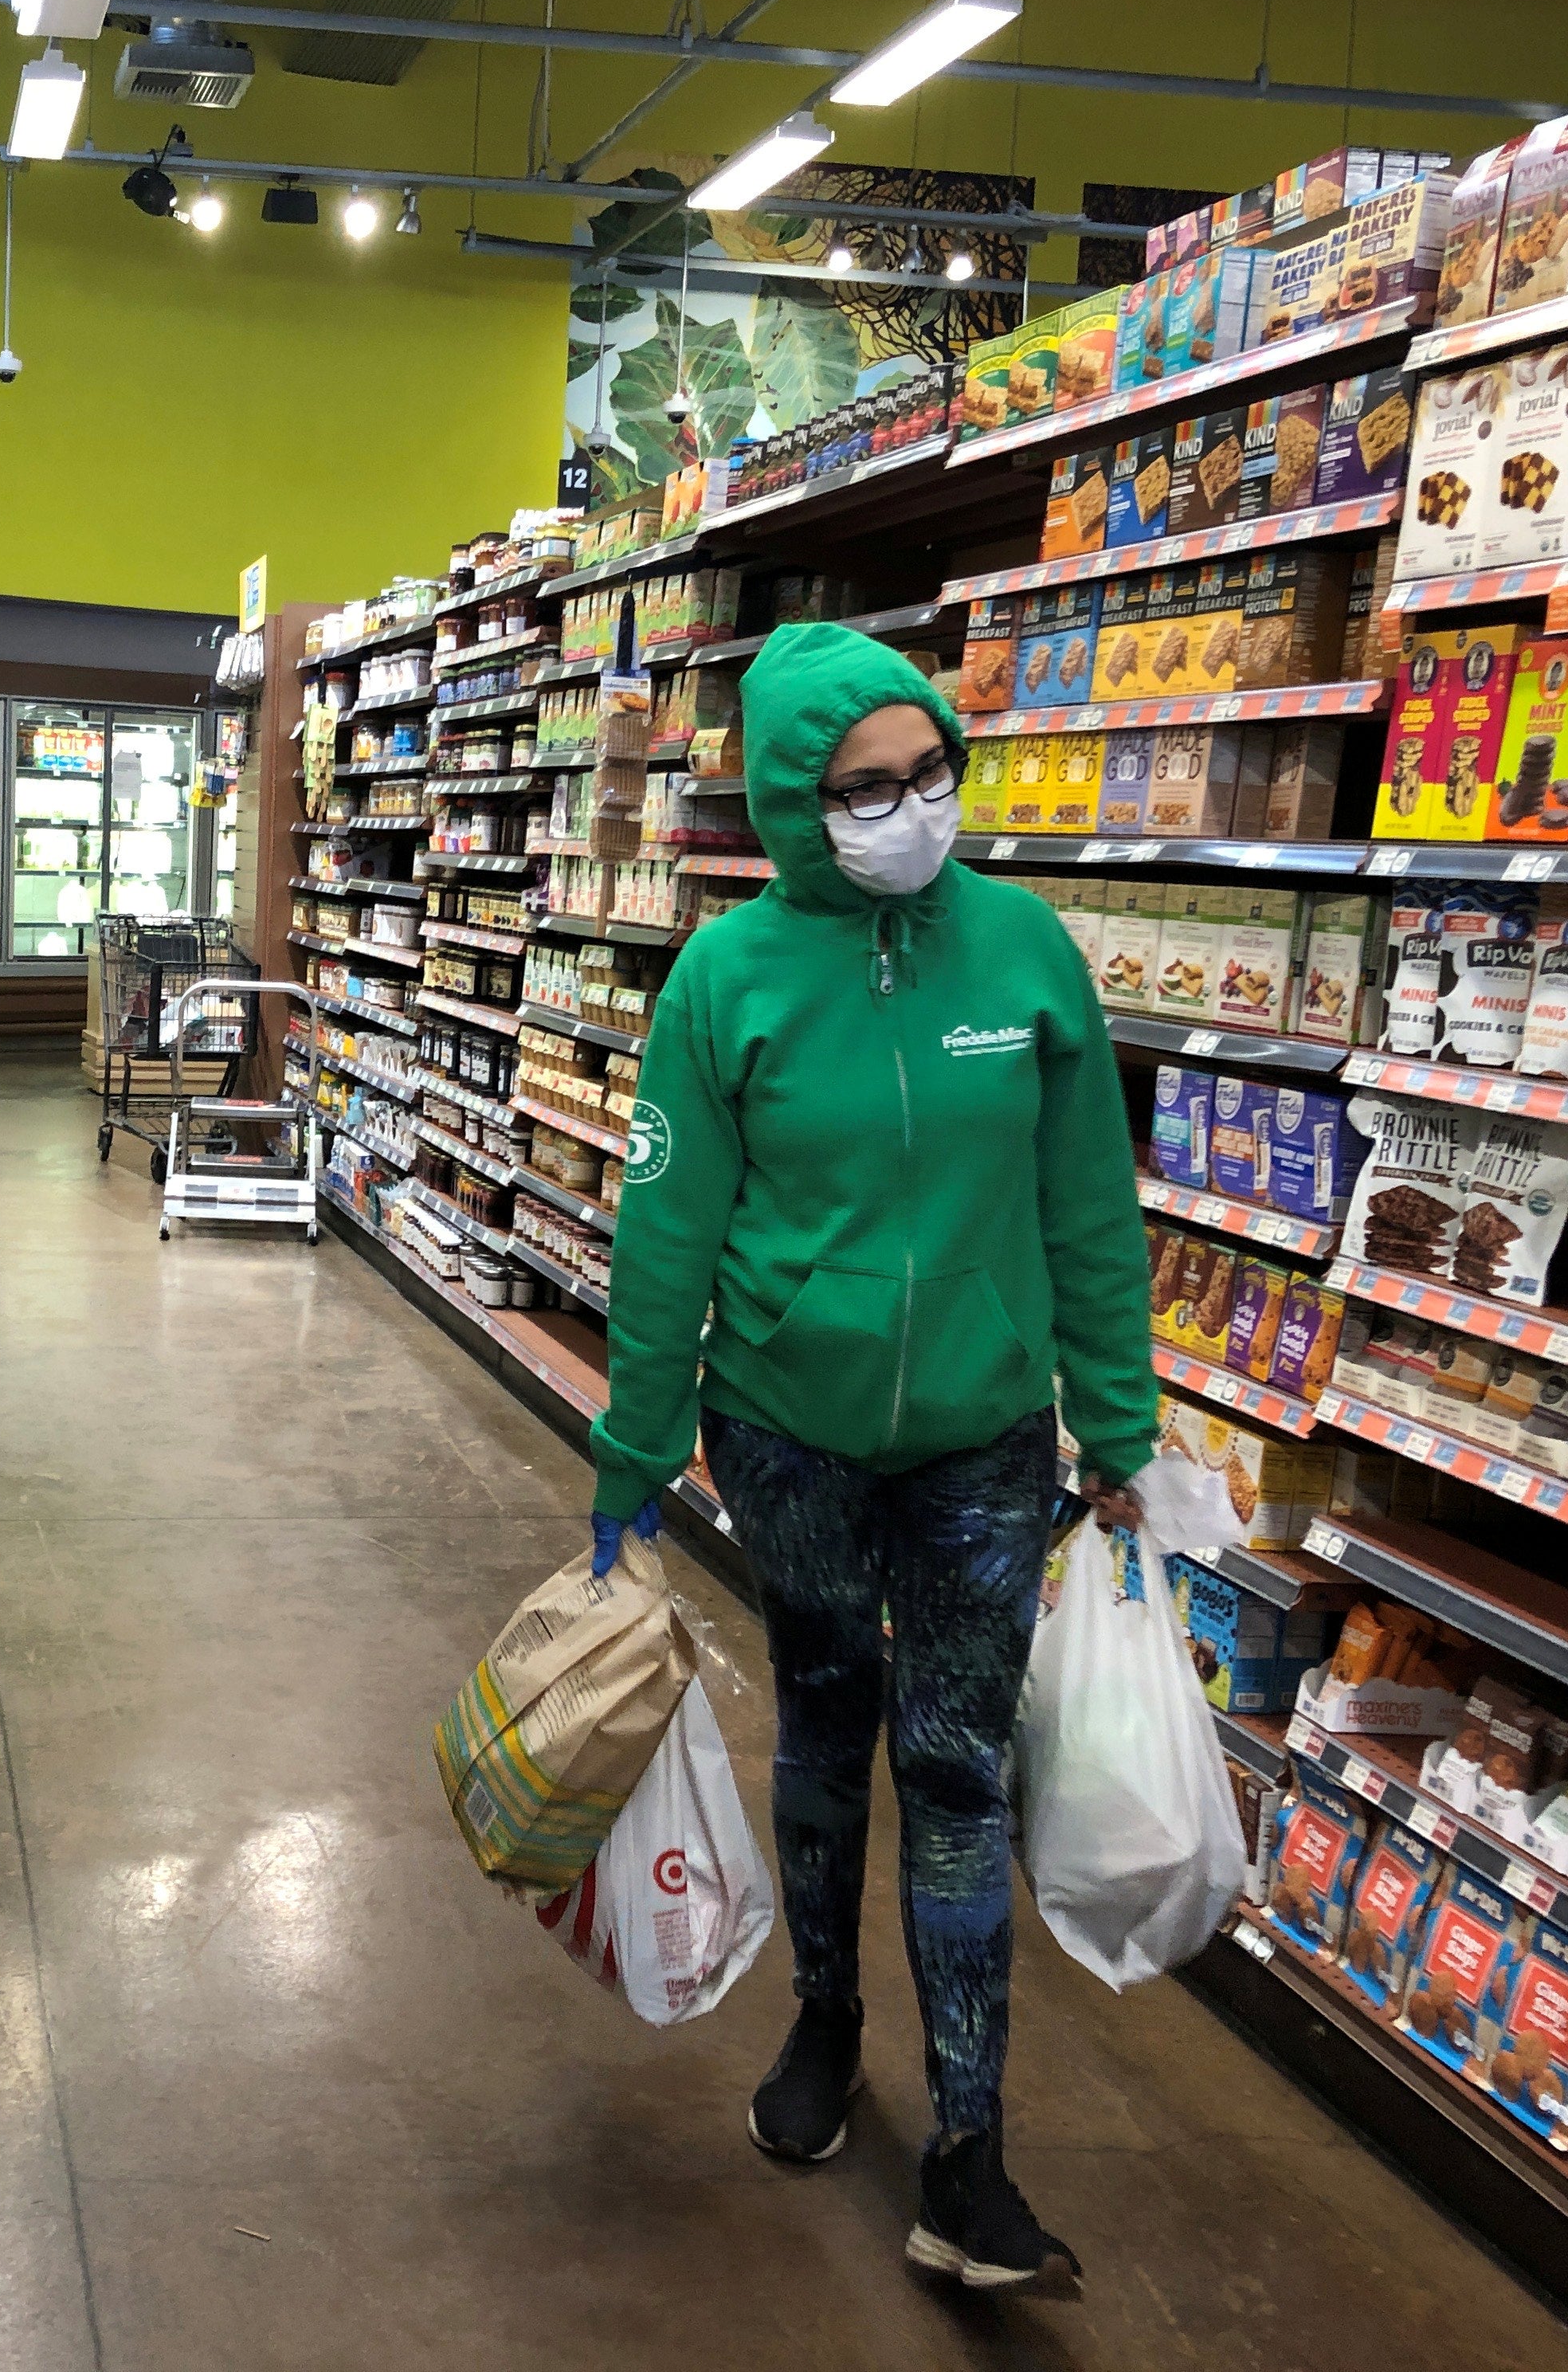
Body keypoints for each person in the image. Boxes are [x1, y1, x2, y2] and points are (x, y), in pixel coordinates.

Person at [583, 623, 1153, 2292]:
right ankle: (825, 2024)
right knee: (829, 1724)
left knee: (964, 1773)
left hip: (986, 1440)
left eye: (929, 775)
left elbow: (1088, 1208)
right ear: (786, 801)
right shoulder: (727, 978)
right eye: (863, 789)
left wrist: (1116, 1420)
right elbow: (667, 1223)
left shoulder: (1029, 951)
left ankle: (970, 2156)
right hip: (790, 1433)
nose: (910, 809)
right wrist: (635, 1436)